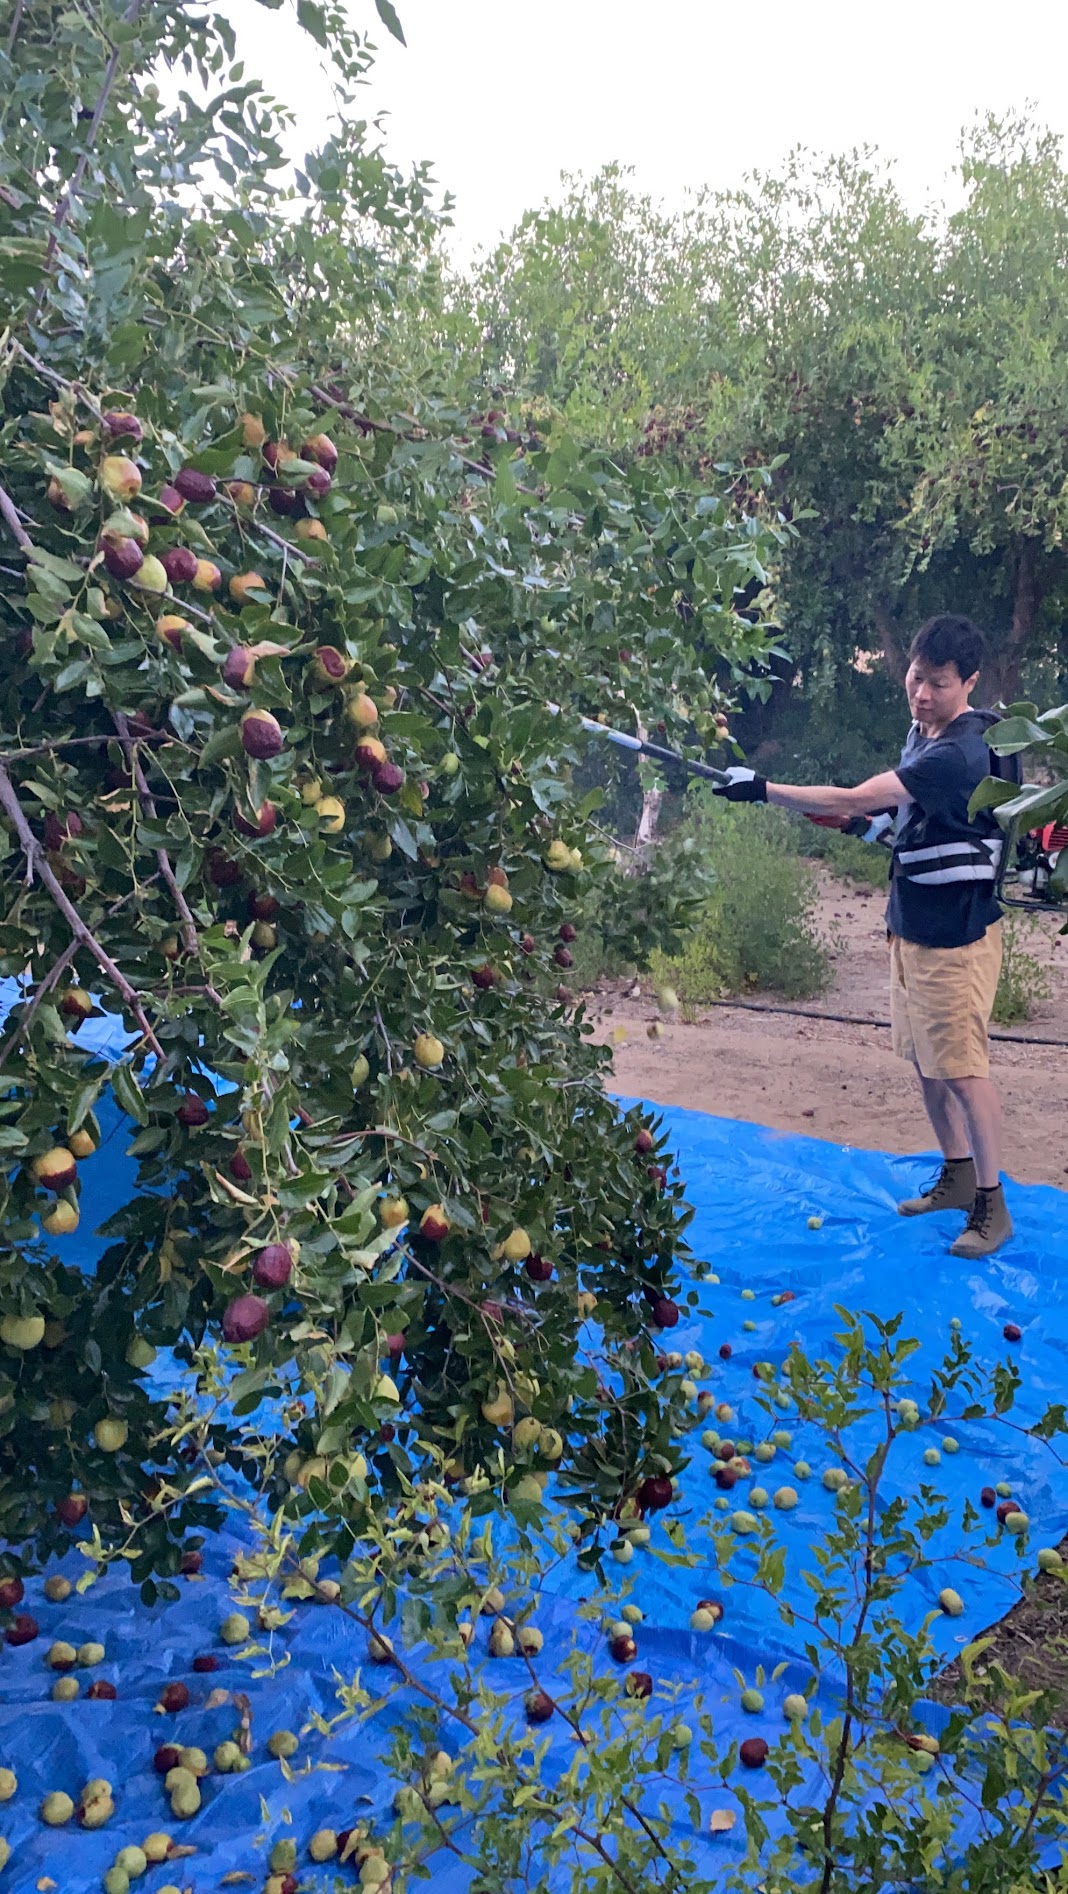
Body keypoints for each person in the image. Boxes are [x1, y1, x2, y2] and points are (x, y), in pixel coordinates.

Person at [712, 613, 1013, 1259]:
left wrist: (764, 789)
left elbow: (857, 797)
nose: (922, 693)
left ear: (969, 683)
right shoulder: (923, 734)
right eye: (915, 677)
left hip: (956, 941)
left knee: (963, 1072)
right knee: (928, 1066)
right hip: (912, 928)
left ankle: (993, 1205)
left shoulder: (959, 753)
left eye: (937, 683)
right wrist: (850, 825)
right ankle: (958, 1177)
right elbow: (892, 826)